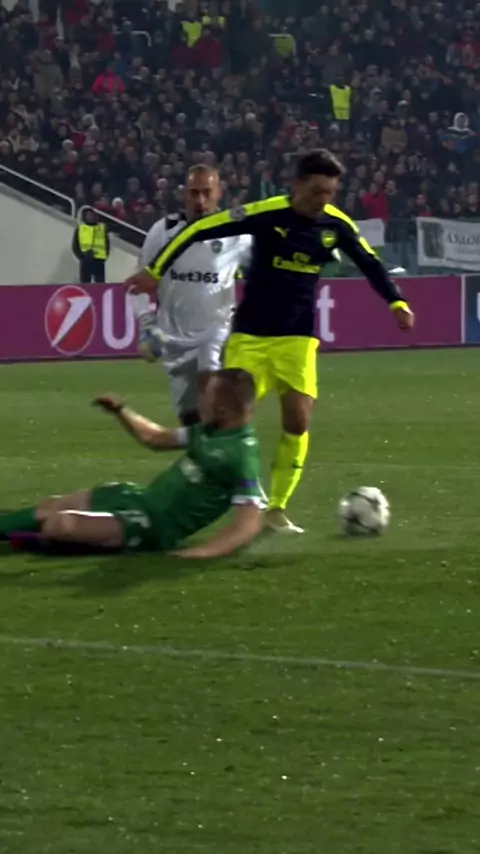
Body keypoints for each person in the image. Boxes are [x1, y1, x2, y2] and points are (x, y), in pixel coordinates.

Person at [125, 149, 415, 535]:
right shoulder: (264, 214)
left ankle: (276, 508)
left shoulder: (335, 224)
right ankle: (198, 492)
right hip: (251, 337)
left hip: (297, 338)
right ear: (297, 185)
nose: (322, 199)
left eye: (329, 192)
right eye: (316, 191)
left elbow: (370, 262)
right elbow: (199, 229)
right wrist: (155, 270)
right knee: (222, 421)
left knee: (299, 420)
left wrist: (396, 302)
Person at [0, 369, 264, 559]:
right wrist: (121, 410)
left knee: (59, 524)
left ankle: (48, 541)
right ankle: (25, 535)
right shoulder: (208, 431)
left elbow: (250, 521)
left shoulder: (241, 453)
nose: (200, 401)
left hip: (152, 525)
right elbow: (156, 438)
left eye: (206, 397)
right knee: (49, 507)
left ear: (223, 411)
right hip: (139, 498)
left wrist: (203, 551)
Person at [132, 164, 252, 426]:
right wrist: (146, 323)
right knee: (190, 420)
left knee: (212, 400)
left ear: (219, 192)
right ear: (184, 194)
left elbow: (263, 272)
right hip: (174, 340)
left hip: (216, 334)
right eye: (194, 192)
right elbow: (136, 285)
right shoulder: (163, 231)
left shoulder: (237, 234)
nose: (200, 200)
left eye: (207, 192)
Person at [71, 208, 110, 283]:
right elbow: (75, 245)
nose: (90, 217)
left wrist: (105, 256)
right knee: (85, 284)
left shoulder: (102, 228)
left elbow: (107, 244)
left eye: (92, 215)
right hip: (85, 259)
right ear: (85, 216)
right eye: (88, 215)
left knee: (100, 284)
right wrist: (81, 257)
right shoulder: (80, 229)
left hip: (99, 260)